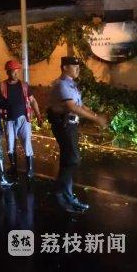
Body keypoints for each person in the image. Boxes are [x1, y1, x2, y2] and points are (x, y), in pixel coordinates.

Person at [47, 56, 108, 213]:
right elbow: (71, 106)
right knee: (73, 159)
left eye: (78, 66)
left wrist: (93, 113)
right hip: (64, 125)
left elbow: (80, 104)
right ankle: (59, 193)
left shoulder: (71, 84)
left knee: (68, 161)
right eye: (74, 66)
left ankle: (66, 197)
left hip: (70, 125)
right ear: (65, 67)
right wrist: (95, 118)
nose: (78, 69)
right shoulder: (61, 84)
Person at [0, 60, 42, 180]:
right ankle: (13, 167)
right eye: (13, 71)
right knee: (10, 145)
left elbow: (33, 100)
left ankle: (29, 169)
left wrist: (38, 115)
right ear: (8, 72)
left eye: (17, 71)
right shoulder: (2, 86)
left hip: (24, 119)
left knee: (27, 143)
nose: (16, 74)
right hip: (9, 120)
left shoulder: (24, 86)